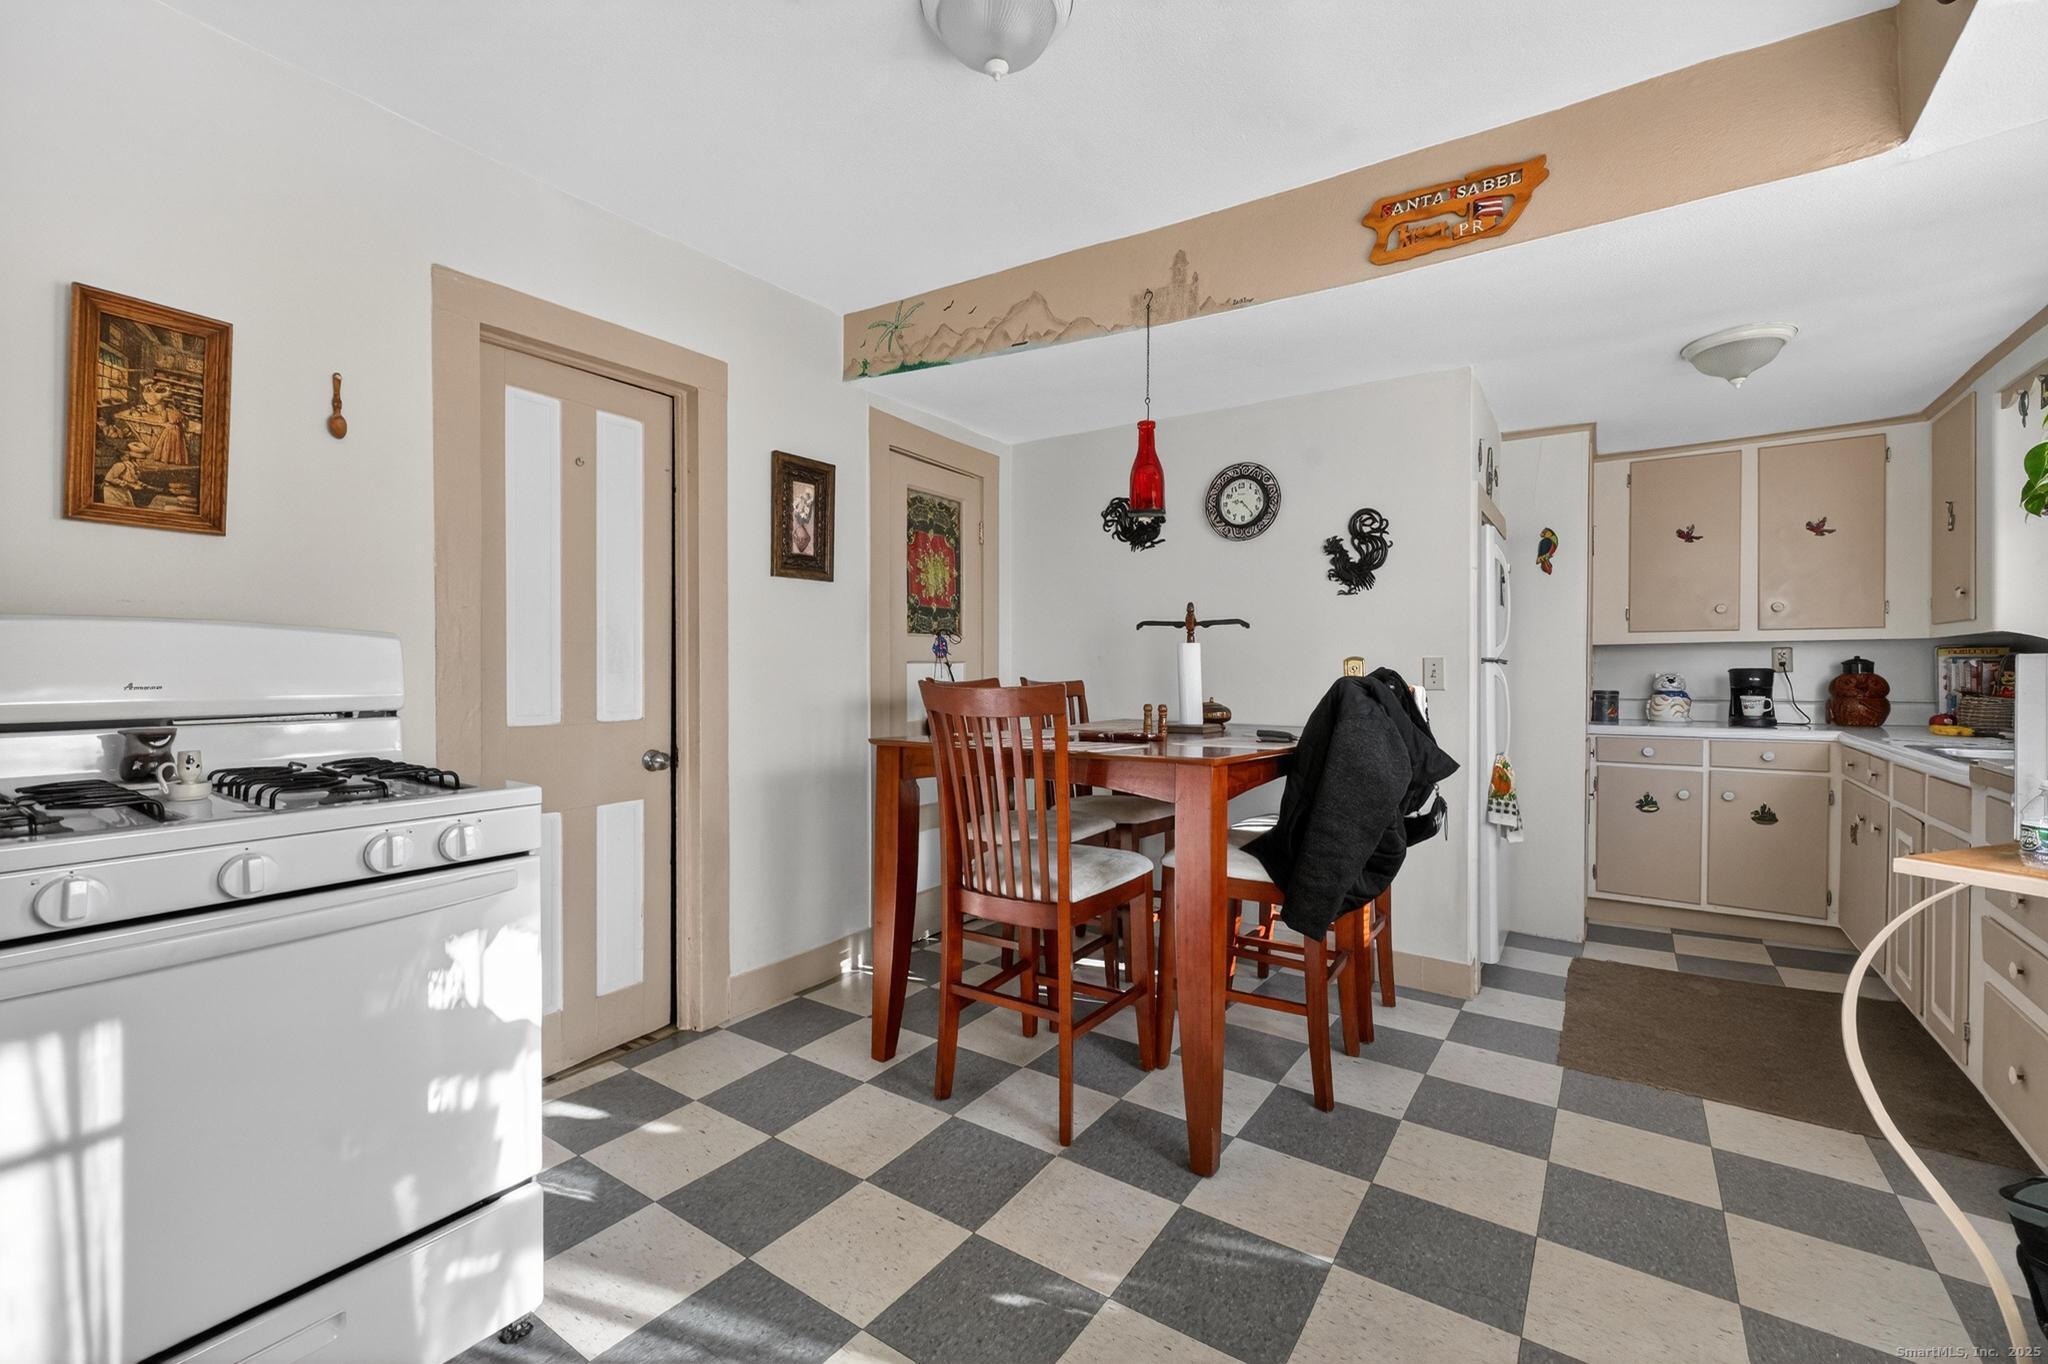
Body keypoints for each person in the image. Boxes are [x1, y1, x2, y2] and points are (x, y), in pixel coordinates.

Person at [101, 442, 150, 507]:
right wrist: (131, 485)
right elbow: (109, 478)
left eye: (143, 461)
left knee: (130, 507)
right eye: (140, 461)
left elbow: (131, 479)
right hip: (112, 490)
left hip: (123, 490)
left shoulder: (134, 468)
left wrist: (142, 484)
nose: (142, 463)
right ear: (133, 460)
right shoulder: (120, 465)